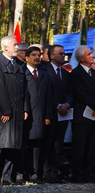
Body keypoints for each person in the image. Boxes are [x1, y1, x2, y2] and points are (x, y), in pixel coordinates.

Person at [0, 35, 28, 185]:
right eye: (14, 45)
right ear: (5, 47)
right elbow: (0, 88)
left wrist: (25, 108)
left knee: (13, 145)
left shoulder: (18, 64)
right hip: (3, 112)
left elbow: (24, 89)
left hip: (18, 111)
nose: (17, 48)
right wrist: (6, 110)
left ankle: (7, 177)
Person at [41, 45, 72, 183]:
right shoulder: (44, 71)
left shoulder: (66, 73)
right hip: (50, 113)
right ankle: (45, 173)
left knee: (58, 145)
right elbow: (45, 92)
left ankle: (55, 172)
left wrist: (67, 104)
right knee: (48, 143)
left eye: (64, 53)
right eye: (60, 53)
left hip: (64, 114)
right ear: (51, 56)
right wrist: (57, 105)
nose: (63, 56)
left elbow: (71, 92)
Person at [21, 46, 52, 184]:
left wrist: (47, 116)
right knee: (25, 145)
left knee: (38, 146)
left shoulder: (44, 73)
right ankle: (23, 172)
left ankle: (35, 173)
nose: (37, 57)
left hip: (40, 116)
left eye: (39, 55)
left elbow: (49, 96)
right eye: (33, 55)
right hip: (26, 116)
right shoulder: (21, 72)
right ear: (26, 57)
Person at [70, 45, 95, 183]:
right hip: (82, 116)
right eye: (89, 54)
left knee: (91, 147)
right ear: (81, 58)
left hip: (93, 116)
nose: (92, 56)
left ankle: (88, 174)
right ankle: (78, 175)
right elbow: (81, 94)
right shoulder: (76, 73)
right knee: (79, 147)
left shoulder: (92, 72)